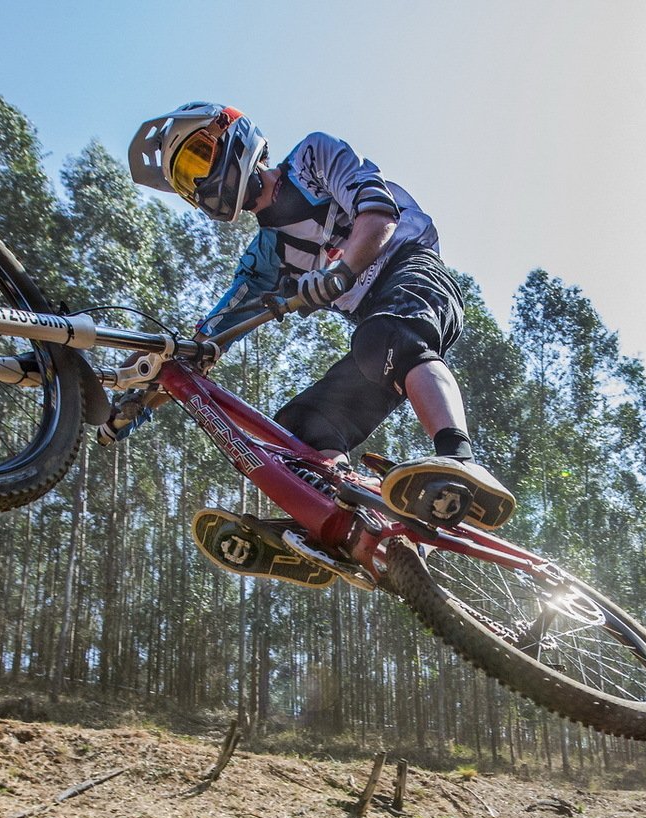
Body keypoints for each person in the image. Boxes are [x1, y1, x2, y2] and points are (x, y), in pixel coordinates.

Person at [116, 102, 515, 588]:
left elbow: (379, 214)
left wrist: (340, 272)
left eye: (199, 158)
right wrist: (138, 397)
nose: (201, 183)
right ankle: (344, 533)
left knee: (384, 337)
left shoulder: (313, 157)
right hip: (375, 337)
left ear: (235, 134)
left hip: (414, 276)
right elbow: (205, 342)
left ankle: (460, 460)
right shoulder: (265, 256)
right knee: (296, 435)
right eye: (187, 181)